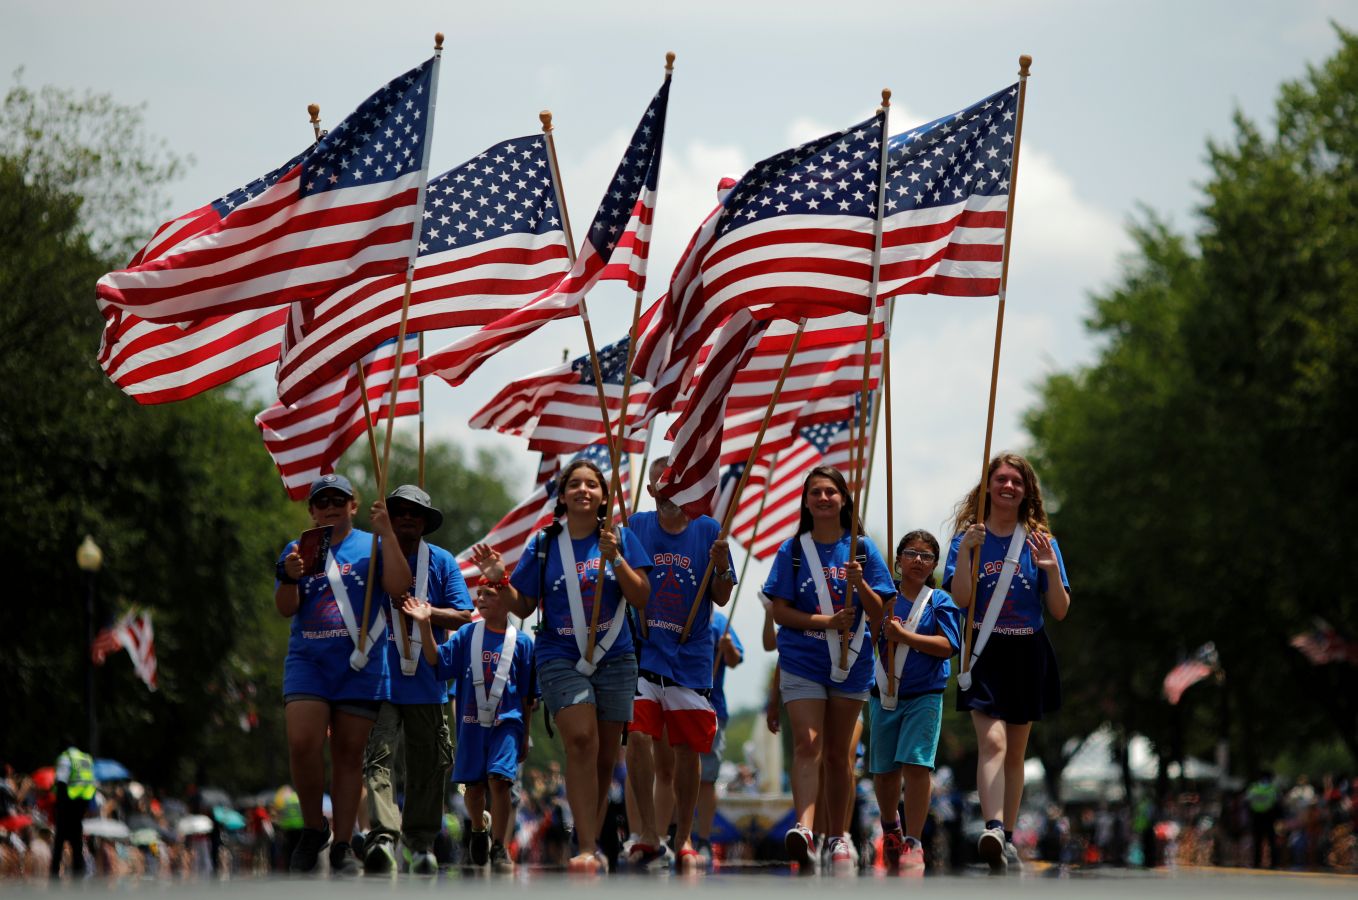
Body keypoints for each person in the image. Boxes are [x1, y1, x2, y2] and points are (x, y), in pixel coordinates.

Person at [470, 458, 650, 873]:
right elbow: (524, 603)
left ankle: (591, 833)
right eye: (575, 484)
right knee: (581, 741)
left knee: (606, 757)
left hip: (616, 656)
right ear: (563, 495)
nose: (583, 490)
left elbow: (641, 598)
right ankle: (586, 847)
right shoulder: (544, 543)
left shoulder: (620, 538)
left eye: (592, 484)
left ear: (604, 496)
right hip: (560, 655)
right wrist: (500, 579)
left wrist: (617, 560)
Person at [274, 473, 411, 875]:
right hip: (309, 662)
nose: (330, 506)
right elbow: (285, 607)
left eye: (339, 499)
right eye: (322, 501)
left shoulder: (374, 544)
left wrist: (387, 533)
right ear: (311, 510)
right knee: (302, 742)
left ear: (354, 504)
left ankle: (345, 844)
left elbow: (400, 588)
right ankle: (314, 828)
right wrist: (288, 575)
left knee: (349, 756)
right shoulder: (297, 549)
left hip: (361, 662)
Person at [763, 465, 894, 872]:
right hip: (802, 660)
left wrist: (862, 585)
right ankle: (804, 828)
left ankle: (839, 835)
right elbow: (780, 611)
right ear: (806, 501)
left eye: (830, 492)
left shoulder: (863, 550)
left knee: (840, 756)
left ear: (843, 500)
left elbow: (883, 613)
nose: (823, 498)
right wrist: (823, 622)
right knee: (808, 744)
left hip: (851, 663)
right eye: (815, 492)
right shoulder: (793, 551)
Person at [945, 453, 1070, 873]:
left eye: (1017, 481)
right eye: (1001, 479)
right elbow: (960, 599)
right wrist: (965, 554)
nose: (1008, 486)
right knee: (993, 742)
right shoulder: (969, 538)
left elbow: (1059, 610)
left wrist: (1050, 571)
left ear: (1026, 490)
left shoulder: (1040, 540)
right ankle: (993, 826)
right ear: (988, 486)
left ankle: (1008, 837)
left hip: (1027, 650)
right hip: (984, 648)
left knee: (1016, 750)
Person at [625, 457, 734, 872]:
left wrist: (722, 564)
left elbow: (721, 596)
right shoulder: (636, 526)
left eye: (677, 481)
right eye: (661, 483)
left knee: (686, 751)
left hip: (690, 658)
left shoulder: (708, 529)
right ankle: (649, 834)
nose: (669, 489)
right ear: (651, 490)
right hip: (645, 652)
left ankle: (685, 836)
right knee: (637, 737)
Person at [362, 485, 474, 875]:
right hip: (381, 679)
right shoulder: (372, 559)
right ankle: (383, 836)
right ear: (388, 519)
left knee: (428, 765)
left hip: (427, 681)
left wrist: (427, 613)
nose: (407, 517)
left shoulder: (441, 562)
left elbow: (463, 615)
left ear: (425, 522)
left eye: (415, 513)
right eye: (399, 512)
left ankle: (420, 841)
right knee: (378, 759)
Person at [403, 575, 535, 874]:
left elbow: (527, 696)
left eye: (489, 594)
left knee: (500, 782)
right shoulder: (466, 636)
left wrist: (525, 734)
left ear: (506, 599)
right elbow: (435, 660)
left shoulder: (523, 643)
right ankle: (479, 827)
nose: (481, 599)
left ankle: (500, 846)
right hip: (472, 724)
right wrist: (425, 623)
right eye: (479, 594)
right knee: (474, 789)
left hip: (508, 724)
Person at [869, 530, 963, 872]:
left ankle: (914, 840)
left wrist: (904, 635)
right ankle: (890, 825)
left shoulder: (940, 601)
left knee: (917, 765)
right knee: (884, 772)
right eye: (911, 553)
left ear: (935, 564)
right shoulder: (885, 598)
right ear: (898, 559)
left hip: (924, 693)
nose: (918, 561)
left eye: (926, 556)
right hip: (884, 692)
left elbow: (947, 646)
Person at [694, 608, 744, 867]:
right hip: (679, 701)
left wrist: (727, 648)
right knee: (671, 771)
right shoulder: (683, 612)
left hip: (713, 708)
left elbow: (736, 660)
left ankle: (703, 839)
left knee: (707, 776)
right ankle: (671, 832)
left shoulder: (720, 621)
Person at [49, 742, 94, 878]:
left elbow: (61, 783)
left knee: (58, 847)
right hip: (81, 808)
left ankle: (54, 881)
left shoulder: (66, 757)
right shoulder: (85, 759)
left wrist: (58, 807)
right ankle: (78, 882)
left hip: (67, 807)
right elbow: (89, 785)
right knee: (77, 847)